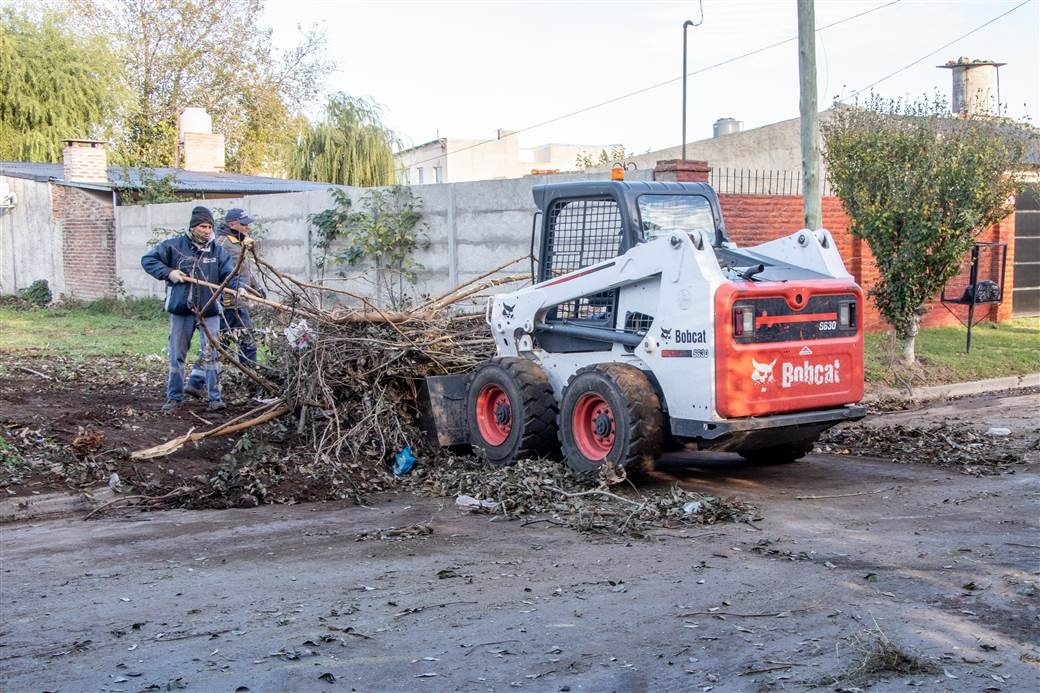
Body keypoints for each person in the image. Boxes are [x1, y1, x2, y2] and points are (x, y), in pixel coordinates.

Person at [141, 206, 240, 413]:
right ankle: (174, 398)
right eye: (203, 226)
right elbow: (148, 260)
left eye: (210, 226)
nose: (206, 230)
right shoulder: (174, 246)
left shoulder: (217, 251)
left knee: (211, 354)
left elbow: (228, 275)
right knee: (176, 355)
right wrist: (169, 273)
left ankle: (215, 399)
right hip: (181, 310)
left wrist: (237, 287)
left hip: (209, 310)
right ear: (193, 227)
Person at [184, 208, 263, 397]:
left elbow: (244, 271)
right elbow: (220, 273)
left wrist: (256, 288)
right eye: (243, 224)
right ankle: (252, 383)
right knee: (246, 341)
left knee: (222, 344)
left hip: (239, 299)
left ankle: (196, 381)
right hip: (229, 302)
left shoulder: (240, 243)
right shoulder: (222, 244)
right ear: (231, 224)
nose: (247, 227)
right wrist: (227, 298)